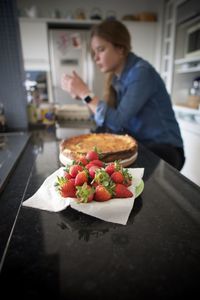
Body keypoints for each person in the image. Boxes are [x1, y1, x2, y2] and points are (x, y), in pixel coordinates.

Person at [61, 19, 185, 170]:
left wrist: (85, 93)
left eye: (101, 49)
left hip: (166, 150)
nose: (96, 58)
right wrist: (83, 97)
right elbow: (104, 121)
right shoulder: (116, 78)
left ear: (120, 48)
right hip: (139, 146)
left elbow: (118, 121)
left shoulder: (141, 72)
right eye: (94, 52)